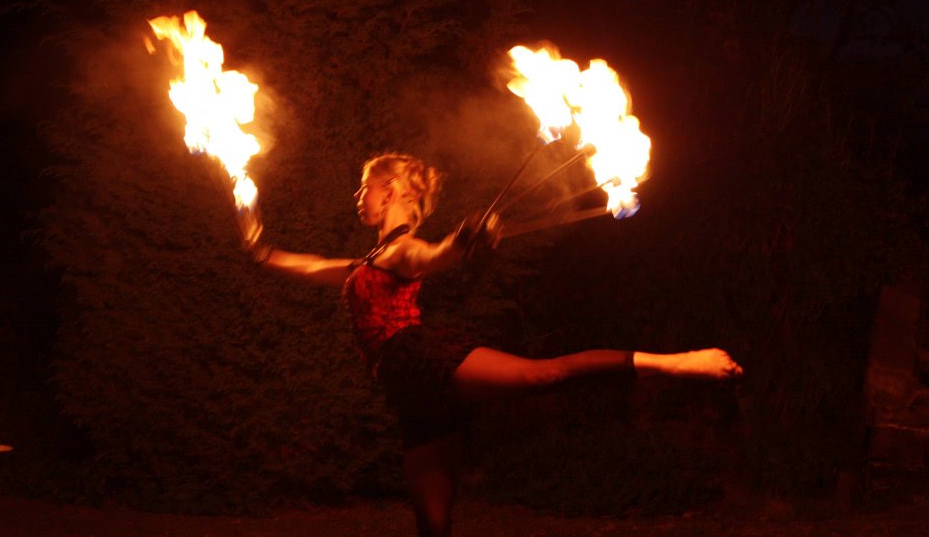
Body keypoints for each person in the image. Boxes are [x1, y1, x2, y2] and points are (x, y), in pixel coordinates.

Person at [238, 152, 743, 537]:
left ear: (391, 190)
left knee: (541, 374)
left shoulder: (403, 249)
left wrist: (464, 239)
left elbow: (436, 254)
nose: (358, 196)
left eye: (364, 186)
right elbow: (311, 265)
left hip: (422, 359)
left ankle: (677, 363)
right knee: (434, 527)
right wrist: (259, 246)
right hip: (411, 394)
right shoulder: (371, 259)